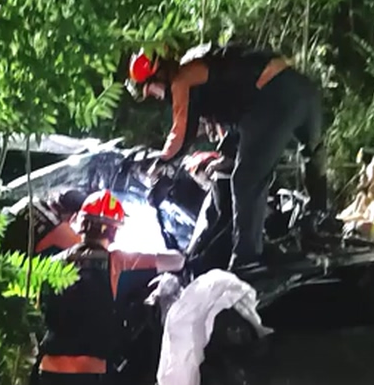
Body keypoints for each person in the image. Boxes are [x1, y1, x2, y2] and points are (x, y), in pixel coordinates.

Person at [127, 42, 328, 274]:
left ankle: (247, 260)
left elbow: (181, 133)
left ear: (158, 75)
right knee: (312, 153)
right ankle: (319, 219)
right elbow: (236, 118)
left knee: (246, 180)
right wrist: (226, 156)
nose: (155, 97)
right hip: (301, 89)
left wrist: (162, 164)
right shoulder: (211, 70)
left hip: (274, 97)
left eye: (150, 90)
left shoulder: (183, 80)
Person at [34, 189, 185, 385]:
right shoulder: (118, 261)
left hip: (47, 373)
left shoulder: (51, 264)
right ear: (114, 231)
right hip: (89, 378)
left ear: (81, 223)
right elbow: (176, 261)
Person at [2, 188, 85, 257]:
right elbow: (80, 246)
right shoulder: (60, 229)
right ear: (73, 215)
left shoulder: (30, 200)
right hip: (11, 260)